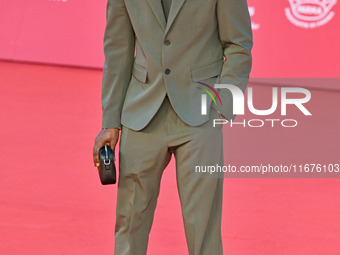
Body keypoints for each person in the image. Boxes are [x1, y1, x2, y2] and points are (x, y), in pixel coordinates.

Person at [93, 0, 252, 254]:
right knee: (130, 221)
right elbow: (117, 49)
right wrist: (110, 122)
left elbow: (238, 45)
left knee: (203, 227)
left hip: (200, 111)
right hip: (141, 113)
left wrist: (223, 104)